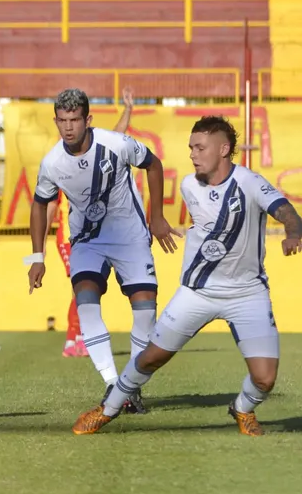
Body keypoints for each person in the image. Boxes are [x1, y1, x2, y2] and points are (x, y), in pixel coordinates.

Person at [73, 116, 301, 436]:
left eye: (200, 147)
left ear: (224, 149)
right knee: (151, 358)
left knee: (265, 379)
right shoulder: (188, 185)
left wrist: (293, 232)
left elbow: (286, 210)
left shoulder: (249, 182)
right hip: (197, 292)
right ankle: (108, 409)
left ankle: (242, 408)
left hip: (247, 293)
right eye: (191, 147)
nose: (192, 154)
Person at [27, 88, 181, 414]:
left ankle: (132, 386)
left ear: (88, 120)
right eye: (62, 121)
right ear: (56, 121)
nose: (68, 128)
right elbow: (39, 205)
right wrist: (37, 257)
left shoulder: (116, 144)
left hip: (130, 237)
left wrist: (156, 218)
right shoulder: (52, 163)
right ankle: (113, 384)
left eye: (75, 120)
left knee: (144, 310)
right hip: (86, 241)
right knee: (85, 300)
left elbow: (153, 165)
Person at [50, 88, 135, 358]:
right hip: (68, 237)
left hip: (89, 237)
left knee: (88, 286)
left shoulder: (94, 157)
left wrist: (128, 110)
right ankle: (75, 339)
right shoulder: (62, 161)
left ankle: (77, 338)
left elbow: (115, 139)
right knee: (83, 285)